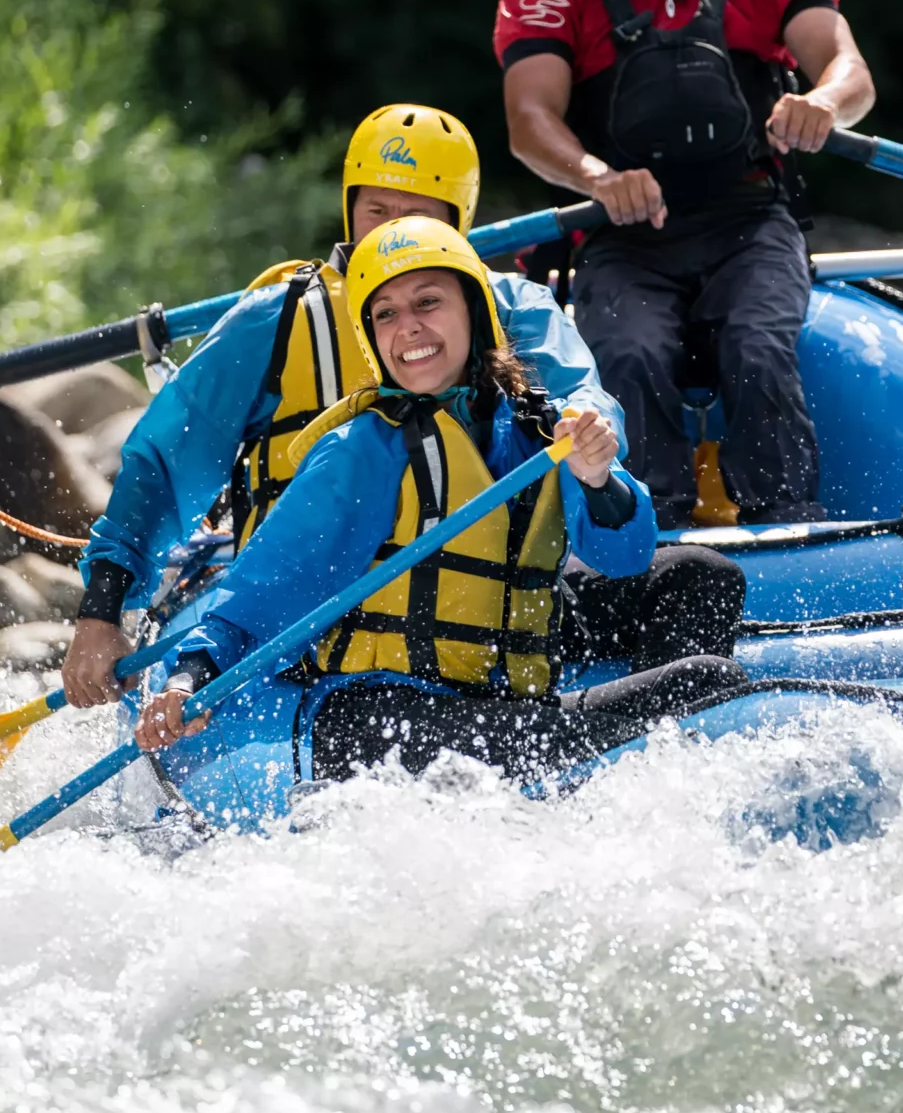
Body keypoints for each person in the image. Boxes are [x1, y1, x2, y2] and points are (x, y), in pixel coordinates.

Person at [64, 104, 646, 707]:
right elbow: (164, 463)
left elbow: (582, 403)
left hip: (494, 590)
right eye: (376, 211)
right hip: (318, 604)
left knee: (695, 578)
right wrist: (103, 611)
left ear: (456, 222)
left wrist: (592, 442)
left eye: (416, 214)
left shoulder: (508, 308)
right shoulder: (276, 321)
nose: (390, 232)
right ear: (350, 210)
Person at [135, 218, 750, 781]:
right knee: (707, 681)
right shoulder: (361, 449)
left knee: (703, 574)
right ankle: (649, 759)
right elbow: (261, 596)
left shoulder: (534, 422)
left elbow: (625, 556)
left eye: (428, 302)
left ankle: (665, 775)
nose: (408, 329)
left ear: (476, 314)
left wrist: (598, 480)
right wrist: (191, 678)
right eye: (385, 314)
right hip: (377, 717)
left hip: (499, 690)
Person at [495, 0, 877, 527]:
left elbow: (850, 70)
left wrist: (821, 104)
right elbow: (529, 118)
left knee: (759, 354)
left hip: (751, 225)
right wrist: (596, 176)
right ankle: (650, 538)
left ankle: (789, 522)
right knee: (627, 359)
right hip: (624, 236)